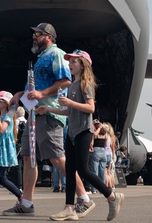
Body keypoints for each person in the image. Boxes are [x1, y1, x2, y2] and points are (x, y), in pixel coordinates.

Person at [7, 23, 83, 217]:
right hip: (34, 115)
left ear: (48, 36)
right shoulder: (40, 58)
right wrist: (19, 94)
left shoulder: (56, 54)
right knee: (28, 158)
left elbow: (65, 80)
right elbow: (34, 88)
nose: (34, 37)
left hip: (49, 115)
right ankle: (26, 203)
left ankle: (83, 198)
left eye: (38, 34)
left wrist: (42, 93)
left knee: (57, 158)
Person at [40, 50, 123, 222]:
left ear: (83, 65)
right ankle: (69, 208)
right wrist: (49, 109)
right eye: (70, 61)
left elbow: (90, 108)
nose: (70, 64)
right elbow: (68, 111)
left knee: (83, 169)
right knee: (70, 171)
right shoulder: (70, 86)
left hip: (84, 131)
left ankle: (112, 196)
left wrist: (70, 102)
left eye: (74, 61)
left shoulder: (86, 84)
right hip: (72, 132)